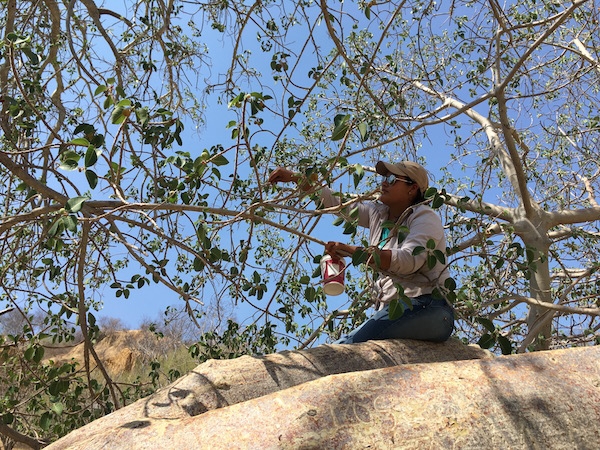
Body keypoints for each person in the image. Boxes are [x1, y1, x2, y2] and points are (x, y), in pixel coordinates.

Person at [268, 160, 454, 344]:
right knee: (350, 347)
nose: (383, 183)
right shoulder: (378, 214)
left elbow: (407, 261)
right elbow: (336, 202)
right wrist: (296, 178)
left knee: (347, 347)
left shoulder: (424, 216)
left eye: (391, 179)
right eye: (384, 177)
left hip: (430, 307)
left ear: (412, 189)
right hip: (395, 311)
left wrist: (352, 251)